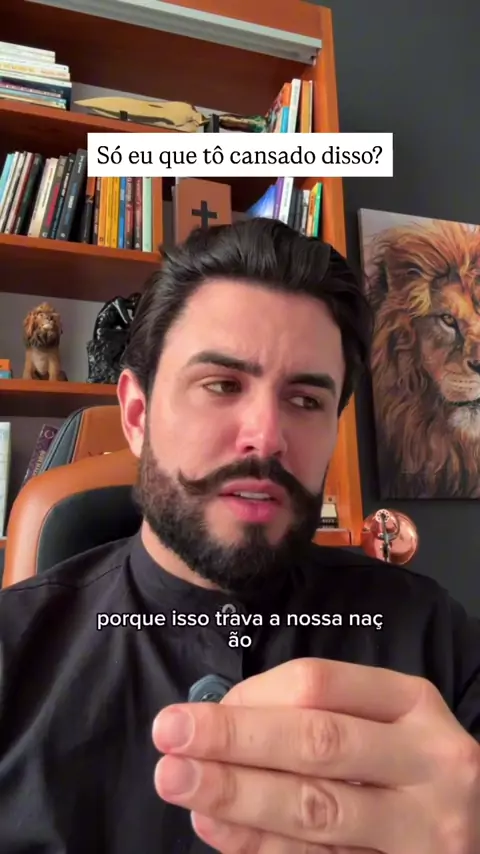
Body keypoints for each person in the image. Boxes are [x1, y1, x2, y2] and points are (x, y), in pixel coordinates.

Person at [0, 217, 478, 854]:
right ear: (137, 416)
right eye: (222, 385)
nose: (267, 436)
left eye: (305, 400)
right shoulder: (12, 653)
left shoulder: (436, 638)